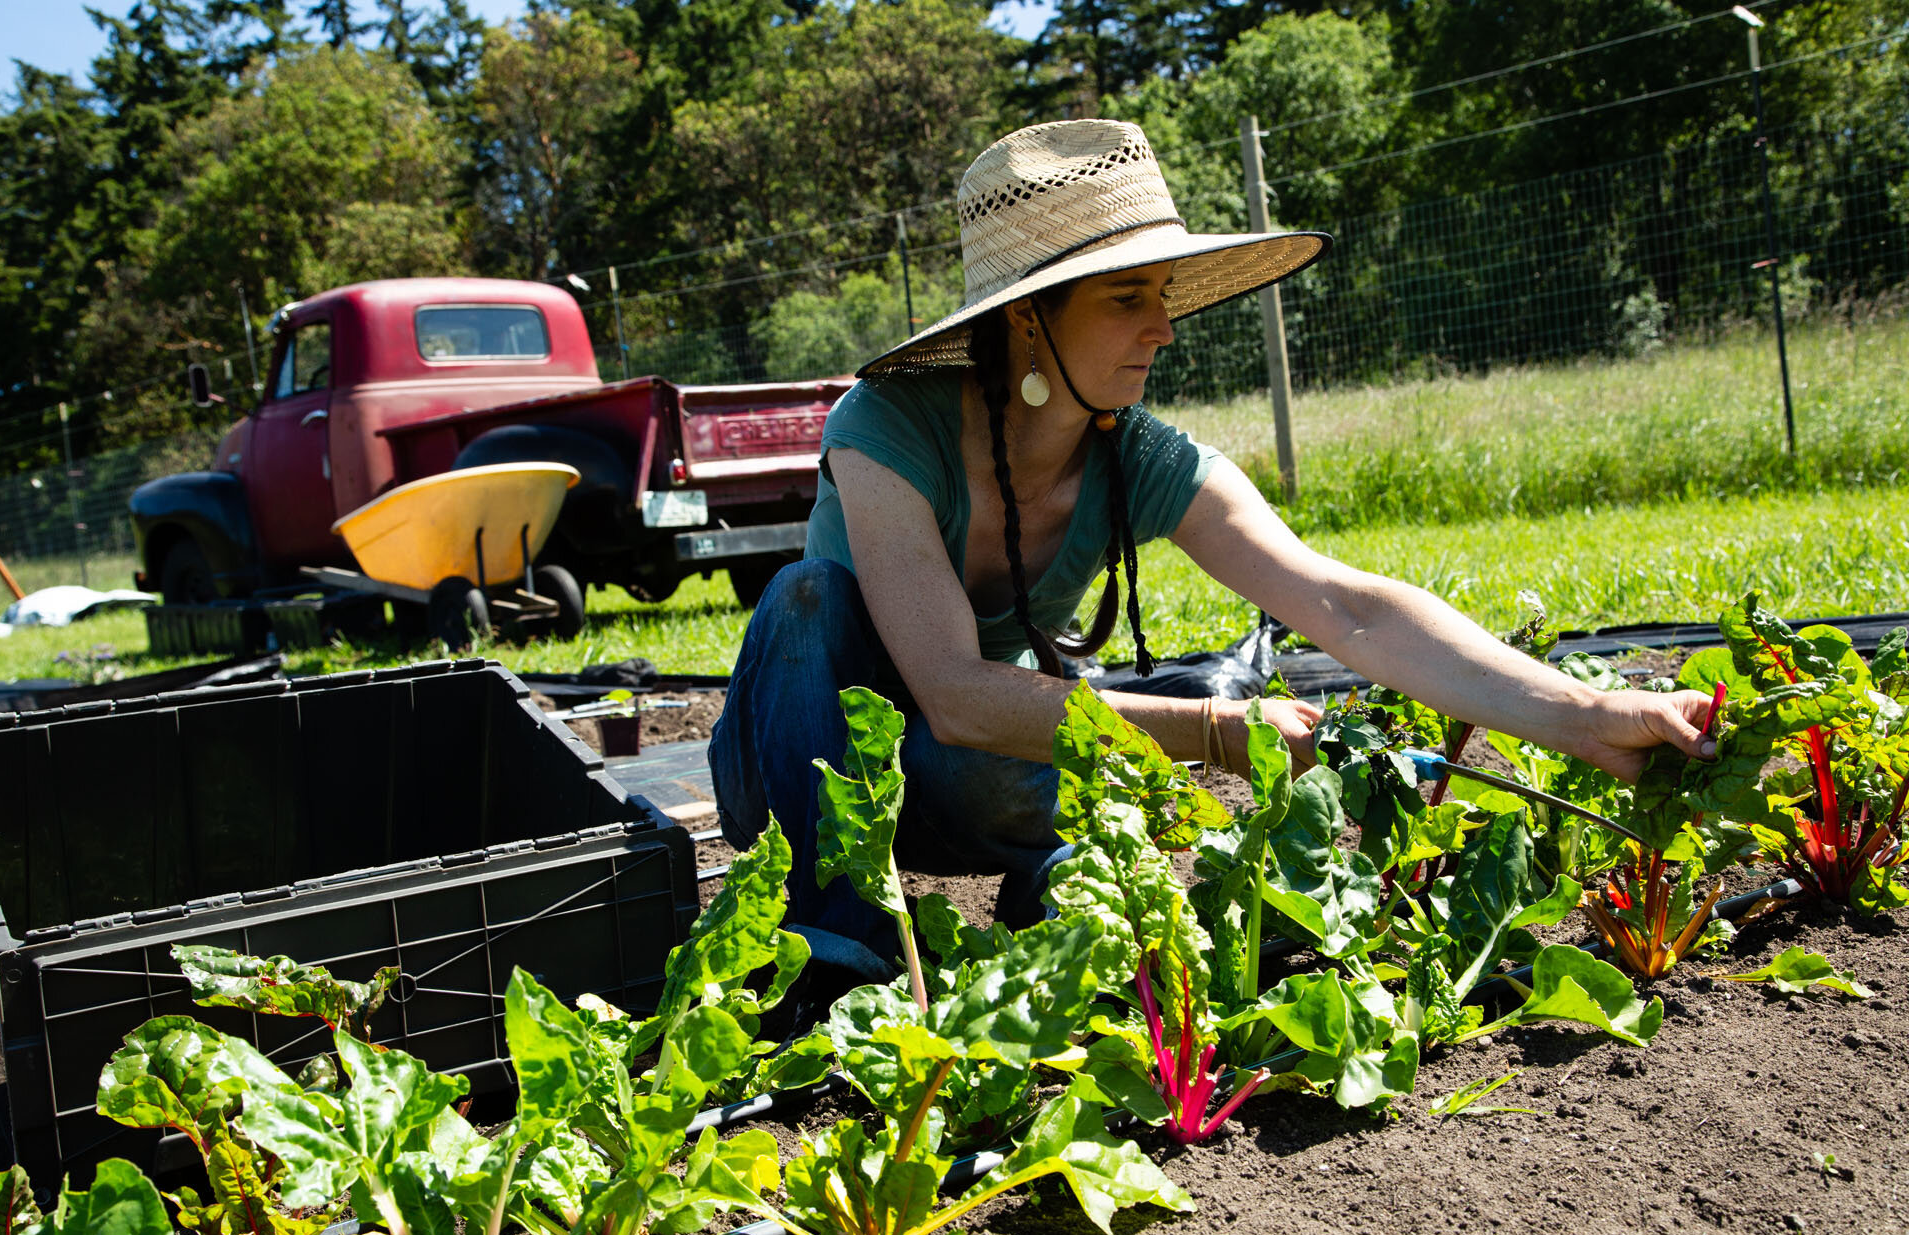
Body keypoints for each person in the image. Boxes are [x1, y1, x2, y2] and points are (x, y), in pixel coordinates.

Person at [709, 118, 1716, 987]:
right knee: (803, 599)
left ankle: (1057, 882)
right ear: (1025, 319)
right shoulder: (882, 426)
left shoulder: (1137, 455)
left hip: (970, 778)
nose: (1164, 329)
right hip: (805, 774)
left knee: (1051, 758)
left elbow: (1342, 604)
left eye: (1163, 294)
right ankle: (830, 953)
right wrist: (1219, 728)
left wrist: (1581, 716)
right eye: (1124, 299)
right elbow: (955, 693)